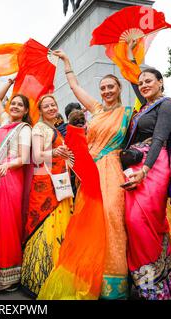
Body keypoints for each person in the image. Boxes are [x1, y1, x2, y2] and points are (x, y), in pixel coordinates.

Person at [54, 49, 133, 299]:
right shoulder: (96, 110)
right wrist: (67, 61)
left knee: (111, 217)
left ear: (119, 88)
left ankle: (113, 282)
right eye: (103, 87)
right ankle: (87, 274)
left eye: (111, 87)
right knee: (87, 218)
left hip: (112, 170)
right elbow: (75, 86)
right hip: (90, 171)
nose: (107, 91)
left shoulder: (129, 113)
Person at [121, 68, 171, 300]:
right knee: (131, 223)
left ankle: (155, 287)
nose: (143, 85)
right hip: (135, 168)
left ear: (160, 82)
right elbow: (132, 79)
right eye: (140, 83)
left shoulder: (167, 105)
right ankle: (144, 283)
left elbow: (159, 139)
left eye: (148, 81)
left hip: (155, 167)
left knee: (143, 222)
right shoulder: (141, 110)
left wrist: (145, 170)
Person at [20, 94, 74, 298]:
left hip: (59, 182)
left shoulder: (53, 129)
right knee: (45, 226)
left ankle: (58, 274)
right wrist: (57, 153)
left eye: (53, 104)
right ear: (40, 111)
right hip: (46, 185)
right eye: (46, 106)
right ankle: (41, 278)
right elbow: (37, 156)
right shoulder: (40, 128)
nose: (51, 108)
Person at [0, 79, 32, 292]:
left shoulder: (24, 129)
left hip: (11, 177)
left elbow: (23, 158)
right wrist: (9, 82)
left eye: (19, 105)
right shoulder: (4, 120)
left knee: (7, 223)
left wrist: (7, 166)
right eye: (12, 103)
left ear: (25, 112)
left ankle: (8, 274)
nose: (14, 107)